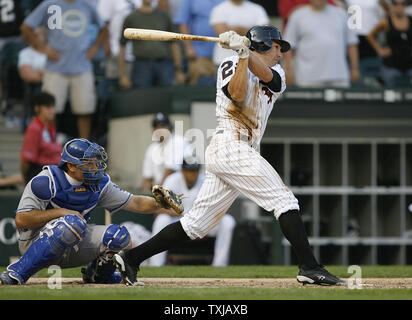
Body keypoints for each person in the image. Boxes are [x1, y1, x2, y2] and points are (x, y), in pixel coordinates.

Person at [113, 25, 346, 286]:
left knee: (195, 225)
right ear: (263, 44)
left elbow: (272, 79)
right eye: (277, 47)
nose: (281, 53)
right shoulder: (230, 63)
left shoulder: (277, 71)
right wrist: (243, 56)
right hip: (228, 144)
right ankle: (310, 266)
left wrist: (246, 52)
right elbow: (237, 95)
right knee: (284, 200)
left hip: (239, 149)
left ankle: (131, 258)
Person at [0, 138, 180, 285]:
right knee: (72, 223)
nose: (95, 168)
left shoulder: (99, 184)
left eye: (96, 162)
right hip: (34, 242)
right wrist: (61, 212)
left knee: (119, 235)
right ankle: (17, 272)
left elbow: (136, 202)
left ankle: (99, 275)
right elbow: (21, 220)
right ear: (71, 166)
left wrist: (160, 203)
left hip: (73, 242)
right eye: (89, 163)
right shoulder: (46, 181)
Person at [20, 0, 106, 140]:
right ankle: (51, 147)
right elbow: (26, 27)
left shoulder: (87, 5)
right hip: (55, 68)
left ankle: (84, 150)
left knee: (85, 110)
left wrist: (94, 48)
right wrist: (43, 48)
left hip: (82, 66)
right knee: (49, 111)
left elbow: (103, 27)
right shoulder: (49, 5)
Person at [149, 154, 236, 267]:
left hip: (201, 222)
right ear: (183, 171)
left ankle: (219, 265)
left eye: (195, 171)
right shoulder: (172, 180)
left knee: (228, 221)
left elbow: (220, 206)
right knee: (162, 219)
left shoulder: (206, 181)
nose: (192, 174)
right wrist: (175, 212)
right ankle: (156, 264)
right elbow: (158, 207)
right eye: (189, 171)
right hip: (176, 221)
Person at [283, 0, 360, 88]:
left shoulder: (342, 14)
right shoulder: (297, 15)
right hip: (307, 79)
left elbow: (352, 44)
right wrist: (288, 71)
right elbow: (288, 46)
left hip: (339, 77)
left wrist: (355, 69)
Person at [118, 0, 184, 89]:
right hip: (141, 65)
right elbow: (122, 46)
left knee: (165, 96)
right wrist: (122, 75)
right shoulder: (132, 18)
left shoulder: (164, 16)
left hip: (163, 64)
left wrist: (178, 70)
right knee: (142, 96)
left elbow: (174, 44)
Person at [174, 0, 225, 85]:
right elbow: (183, 23)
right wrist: (188, 48)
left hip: (224, 54)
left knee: (224, 90)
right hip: (199, 54)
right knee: (198, 89)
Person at [209, 0, 269, 67]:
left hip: (252, 61)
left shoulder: (257, 9)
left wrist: (234, 29)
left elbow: (262, 34)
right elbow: (222, 34)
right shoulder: (219, 9)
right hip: (224, 61)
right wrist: (250, 31)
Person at [366, 0, 412, 87]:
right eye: (395, 3)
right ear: (392, 5)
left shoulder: (410, 20)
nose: (399, 6)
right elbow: (370, 35)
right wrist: (380, 50)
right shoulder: (386, 21)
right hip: (391, 65)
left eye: (403, 3)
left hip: (409, 64)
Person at [20, 92, 62, 185]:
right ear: (37, 108)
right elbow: (26, 159)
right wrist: (26, 180)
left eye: (53, 107)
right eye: (48, 107)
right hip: (41, 175)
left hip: (54, 171)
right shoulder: (34, 128)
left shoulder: (50, 127)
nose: (52, 110)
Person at [141, 112, 190, 192]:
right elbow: (147, 179)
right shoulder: (151, 149)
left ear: (170, 127)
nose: (159, 129)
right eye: (156, 126)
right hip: (163, 192)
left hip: (183, 193)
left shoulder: (179, 141)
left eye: (163, 126)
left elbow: (170, 170)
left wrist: (158, 193)